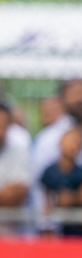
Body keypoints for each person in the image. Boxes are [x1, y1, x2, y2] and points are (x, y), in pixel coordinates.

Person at [30, 78, 82, 195]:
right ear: (63, 99)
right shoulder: (48, 138)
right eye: (75, 94)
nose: (80, 99)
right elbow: (37, 184)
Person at [39, 124, 82, 237]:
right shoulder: (50, 171)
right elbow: (46, 201)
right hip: (55, 228)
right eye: (69, 140)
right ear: (60, 142)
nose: (72, 145)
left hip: (78, 230)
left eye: (77, 142)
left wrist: (72, 198)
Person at [0, 99, 30, 232]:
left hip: (10, 236)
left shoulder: (19, 148)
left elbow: (17, 195)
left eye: (3, 126)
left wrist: (9, 195)